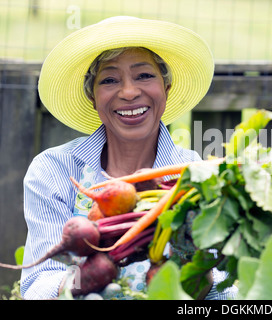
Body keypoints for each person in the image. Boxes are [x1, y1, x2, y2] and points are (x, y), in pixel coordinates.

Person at [20, 16, 236, 300]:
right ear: (93, 97)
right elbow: (36, 285)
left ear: (166, 89)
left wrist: (197, 271)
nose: (130, 92)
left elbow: (228, 293)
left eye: (144, 75)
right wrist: (82, 283)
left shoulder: (197, 177)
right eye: (109, 80)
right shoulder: (54, 170)